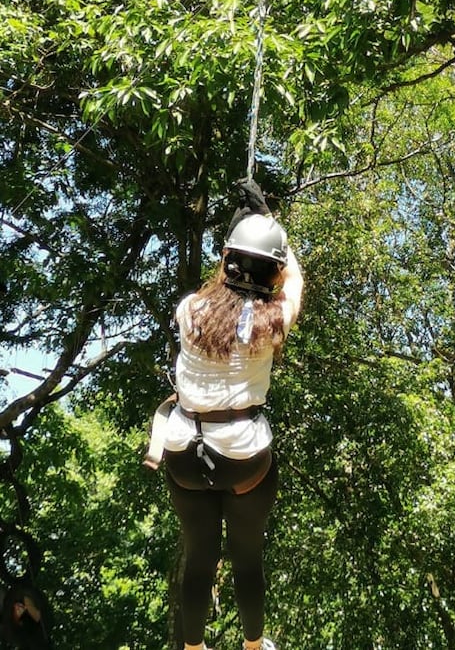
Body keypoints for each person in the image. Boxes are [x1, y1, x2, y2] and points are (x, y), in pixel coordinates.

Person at [162, 181, 303, 650]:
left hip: (184, 452)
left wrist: (243, 230)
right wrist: (269, 221)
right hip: (244, 458)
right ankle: (252, 644)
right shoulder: (271, 322)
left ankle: (193, 647)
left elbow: (222, 280)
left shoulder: (190, 311)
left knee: (198, 555)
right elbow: (294, 280)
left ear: (226, 261)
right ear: (274, 273)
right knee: (247, 558)